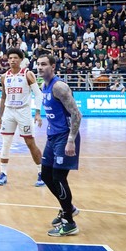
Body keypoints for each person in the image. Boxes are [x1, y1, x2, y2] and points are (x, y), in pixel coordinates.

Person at [35, 54, 82, 237]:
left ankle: (69, 222)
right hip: (52, 136)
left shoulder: (59, 87)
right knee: (46, 175)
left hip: (65, 137)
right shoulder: (44, 86)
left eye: (44, 64)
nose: (40, 67)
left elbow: (77, 114)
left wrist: (71, 139)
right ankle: (68, 207)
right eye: (38, 64)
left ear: (53, 66)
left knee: (58, 178)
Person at [0, 48, 44, 187]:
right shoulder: (4, 77)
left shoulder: (27, 74)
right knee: (5, 143)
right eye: (10, 58)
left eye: (15, 58)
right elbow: (4, 97)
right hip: (9, 112)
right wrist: (0, 116)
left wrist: (38, 112)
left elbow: (38, 94)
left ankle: (42, 173)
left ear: (21, 60)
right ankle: (3, 174)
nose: (12, 60)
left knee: (30, 143)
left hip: (24, 111)